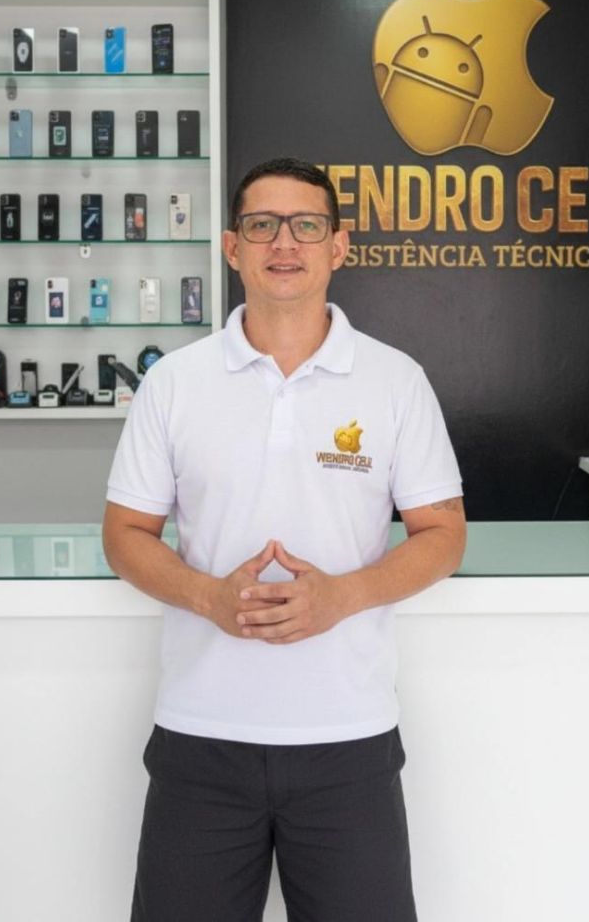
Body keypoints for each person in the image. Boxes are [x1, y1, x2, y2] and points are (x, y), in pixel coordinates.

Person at [102, 156, 466, 921]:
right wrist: (207, 595)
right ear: (233, 247)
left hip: (348, 740)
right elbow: (125, 533)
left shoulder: (395, 380)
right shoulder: (175, 382)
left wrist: (343, 597)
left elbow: (443, 535)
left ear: (338, 246)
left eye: (306, 225)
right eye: (263, 225)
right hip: (201, 737)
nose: (284, 243)